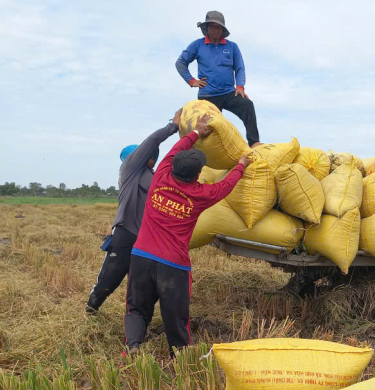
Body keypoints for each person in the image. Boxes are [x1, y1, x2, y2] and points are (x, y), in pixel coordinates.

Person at [125, 113, 251, 355]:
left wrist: (194, 133)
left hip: (141, 256)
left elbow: (175, 148)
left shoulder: (160, 176)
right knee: (175, 314)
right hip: (174, 266)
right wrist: (241, 165)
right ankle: (180, 355)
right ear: (197, 176)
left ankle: (133, 346)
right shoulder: (200, 195)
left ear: (172, 166)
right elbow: (225, 186)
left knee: (136, 308)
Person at [85, 109, 183, 315]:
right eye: (147, 154)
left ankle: (135, 318)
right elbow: (152, 141)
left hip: (147, 238)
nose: (153, 157)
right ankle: (92, 306)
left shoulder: (152, 175)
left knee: (140, 282)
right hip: (127, 231)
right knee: (111, 274)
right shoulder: (130, 168)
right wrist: (173, 126)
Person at [176, 11, 261, 147]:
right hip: (208, 95)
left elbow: (240, 68)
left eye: (218, 27)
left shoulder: (232, 47)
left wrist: (240, 87)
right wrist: (192, 81)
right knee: (210, 127)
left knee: (247, 105)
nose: (216, 30)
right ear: (207, 28)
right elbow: (180, 63)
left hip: (229, 92)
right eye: (212, 26)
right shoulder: (197, 45)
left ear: (223, 29)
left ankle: (254, 142)